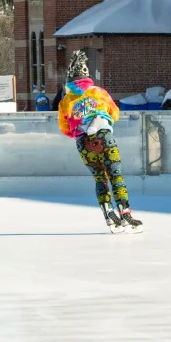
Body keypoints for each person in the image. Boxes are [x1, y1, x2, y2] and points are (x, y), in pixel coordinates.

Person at [57, 52, 142, 232]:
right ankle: (124, 212)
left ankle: (108, 212)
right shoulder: (99, 93)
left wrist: (80, 131)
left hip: (83, 143)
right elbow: (114, 113)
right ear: (88, 78)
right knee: (115, 174)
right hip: (104, 137)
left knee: (99, 177)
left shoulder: (65, 101)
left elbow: (65, 129)